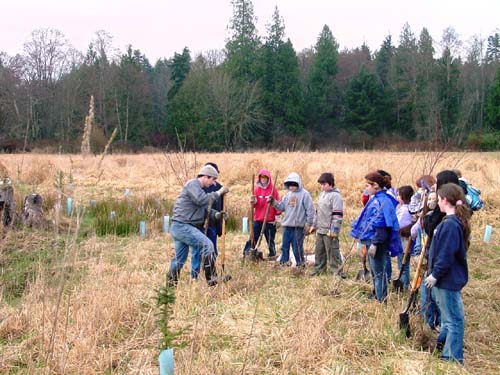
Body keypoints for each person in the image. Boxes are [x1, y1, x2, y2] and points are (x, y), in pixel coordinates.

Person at [425, 183, 471, 364]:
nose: (437, 204)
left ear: (445, 200)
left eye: (438, 200)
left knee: (453, 321)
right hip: (443, 280)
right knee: (450, 319)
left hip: (446, 280)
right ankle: (445, 351)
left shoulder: (451, 225)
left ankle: (450, 356)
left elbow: (446, 254)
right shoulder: (448, 222)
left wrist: (435, 274)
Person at [167, 164, 230, 286]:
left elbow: (204, 209)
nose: (213, 184)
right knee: (208, 246)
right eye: (213, 180)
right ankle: (211, 278)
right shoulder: (192, 185)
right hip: (183, 226)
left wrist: (218, 215)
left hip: (180, 227)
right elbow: (202, 200)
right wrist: (219, 193)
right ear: (206, 176)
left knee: (179, 259)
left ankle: (170, 287)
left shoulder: (198, 190)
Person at [351, 171, 402, 303]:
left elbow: (383, 225)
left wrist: (375, 243)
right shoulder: (376, 199)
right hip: (369, 239)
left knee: (379, 271)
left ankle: (381, 299)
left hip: (376, 242)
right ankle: (376, 293)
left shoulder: (383, 202)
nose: (366, 188)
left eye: (368, 185)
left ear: (376, 186)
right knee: (374, 270)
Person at [269, 172, 314, 268]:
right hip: (287, 226)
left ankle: (300, 264)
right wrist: (273, 202)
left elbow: (310, 210)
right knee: (285, 247)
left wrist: (308, 224)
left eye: (294, 184)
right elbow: (281, 207)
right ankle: (284, 263)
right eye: (290, 184)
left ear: (298, 183)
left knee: (297, 247)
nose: (292, 186)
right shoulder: (287, 195)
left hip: (298, 227)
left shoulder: (305, 195)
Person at [310, 173, 344, 277]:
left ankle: (337, 272)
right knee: (319, 251)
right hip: (320, 229)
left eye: (324, 184)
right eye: (321, 184)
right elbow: (318, 211)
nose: (322, 186)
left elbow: (337, 215)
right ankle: (319, 269)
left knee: (333, 252)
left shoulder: (336, 196)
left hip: (329, 230)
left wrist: (334, 230)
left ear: (330, 183)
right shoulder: (322, 194)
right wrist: (314, 225)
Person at [243, 169, 281, 260]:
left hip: (269, 220)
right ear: (259, 178)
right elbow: (255, 204)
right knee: (253, 237)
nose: (263, 179)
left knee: (270, 239)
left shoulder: (273, 190)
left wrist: (277, 217)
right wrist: (253, 201)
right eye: (262, 177)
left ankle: (272, 255)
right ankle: (247, 253)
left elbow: (278, 204)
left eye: (265, 178)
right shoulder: (257, 189)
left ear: (268, 179)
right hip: (258, 219)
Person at [395, 185, 415, 290]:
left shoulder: (405, 211)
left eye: (399, 195)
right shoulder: (405, 208)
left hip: (404, 242)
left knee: (403, 265)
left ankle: (404, 285)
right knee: (402, 263)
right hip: (403, 241)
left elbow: (400, 225)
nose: (397, 197)